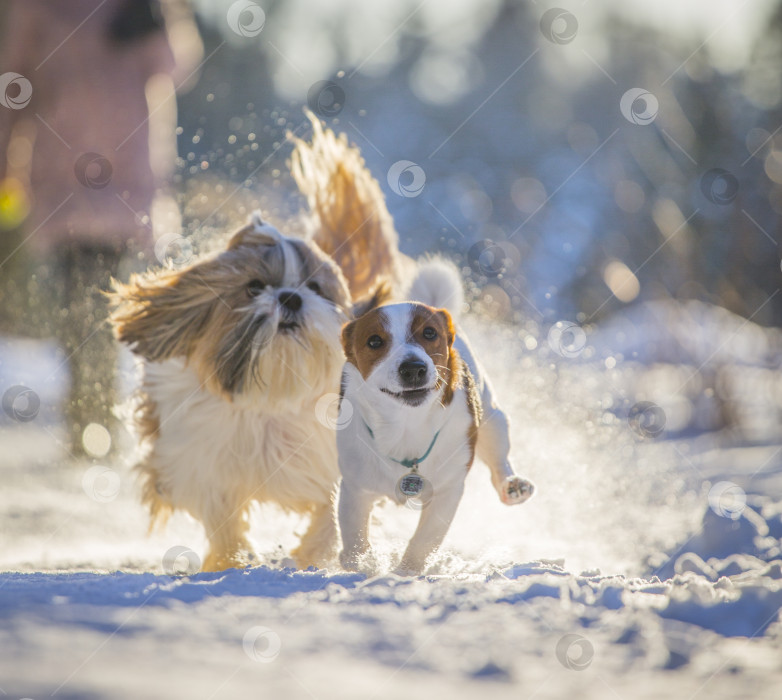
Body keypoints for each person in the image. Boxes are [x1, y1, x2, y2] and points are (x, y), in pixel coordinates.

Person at [0, 0, 201, 456]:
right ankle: (92, 410)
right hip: (66, 173)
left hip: (121, 174)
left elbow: (173, 66)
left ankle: (91, 411)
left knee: (95, 297)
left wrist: (160, 15)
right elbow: (15, 79)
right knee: (88, 295)